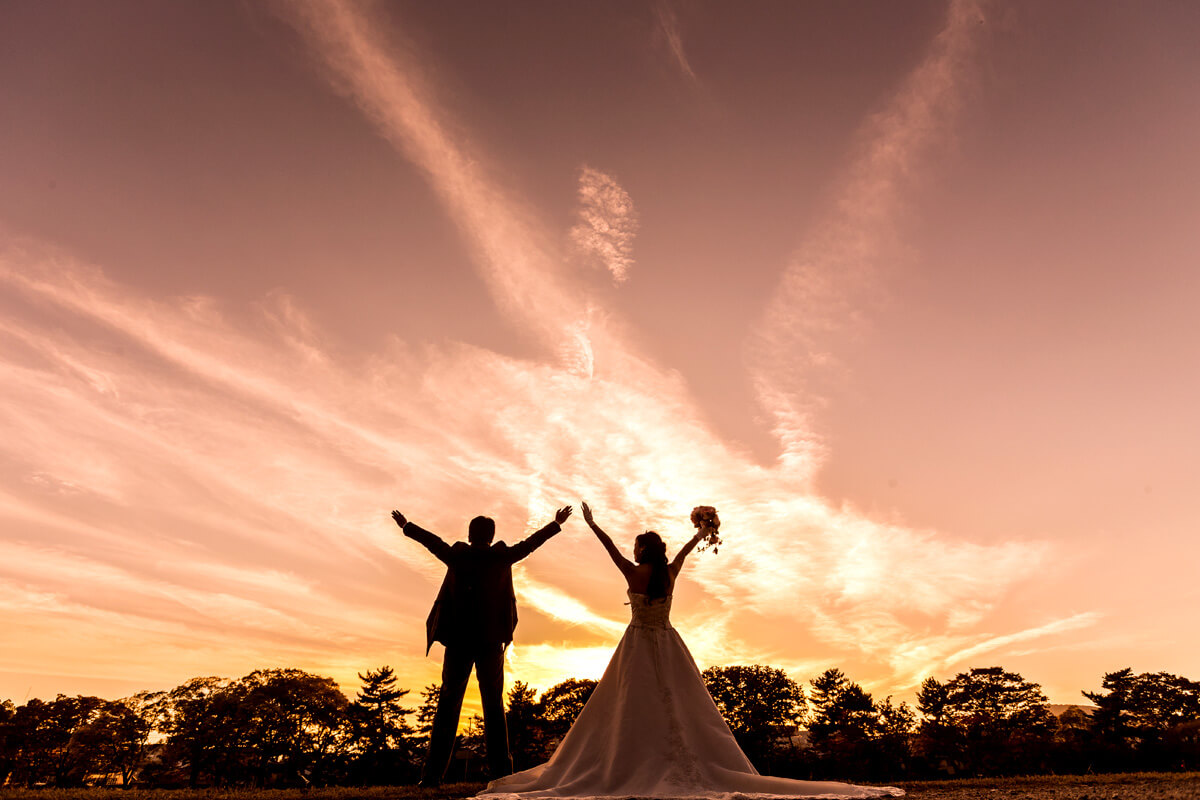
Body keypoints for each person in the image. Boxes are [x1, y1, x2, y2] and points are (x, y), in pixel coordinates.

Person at [479, 502, 902, 799]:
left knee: (630, 708)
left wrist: (592, 523)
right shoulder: (670, 570)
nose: (632, 552)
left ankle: (630, 765)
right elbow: (685, 550)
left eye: (636, 547)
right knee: (681, 707)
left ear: (641, 551)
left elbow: (609, 549)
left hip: (637, 646)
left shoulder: (633, 571)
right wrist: (703, 530)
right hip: (668, 642)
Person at [392, 505, 573, 786]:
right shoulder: (501, 557)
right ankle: (501, 774)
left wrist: (407, 526)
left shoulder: (457, 556)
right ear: (491, 536)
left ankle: (431, 777)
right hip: (490, 641)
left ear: (469, 534)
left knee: (448, 706)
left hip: (459, 641)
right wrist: (555, 523)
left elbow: (433, 543)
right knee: (493, 706)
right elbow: (530, 545)